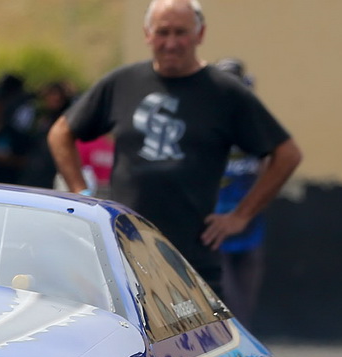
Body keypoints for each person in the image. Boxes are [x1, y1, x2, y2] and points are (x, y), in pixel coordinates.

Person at [47, 0, 301, 296]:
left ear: (200, 34)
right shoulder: (123, 83)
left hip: (192, 262)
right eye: (162, 32)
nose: (170, 43)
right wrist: (82, 194)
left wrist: (241, 216)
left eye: (180, 32)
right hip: (124, 256)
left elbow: (287, 154)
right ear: (147, 34)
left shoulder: (225, 93)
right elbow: (61, 132)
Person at [212, 57, 266, 327]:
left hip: (249, 222)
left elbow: (270, 164)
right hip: (213, 225)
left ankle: (243, 342)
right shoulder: (206, 126)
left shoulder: (255, 126)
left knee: (246, 297)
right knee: (227, 297)